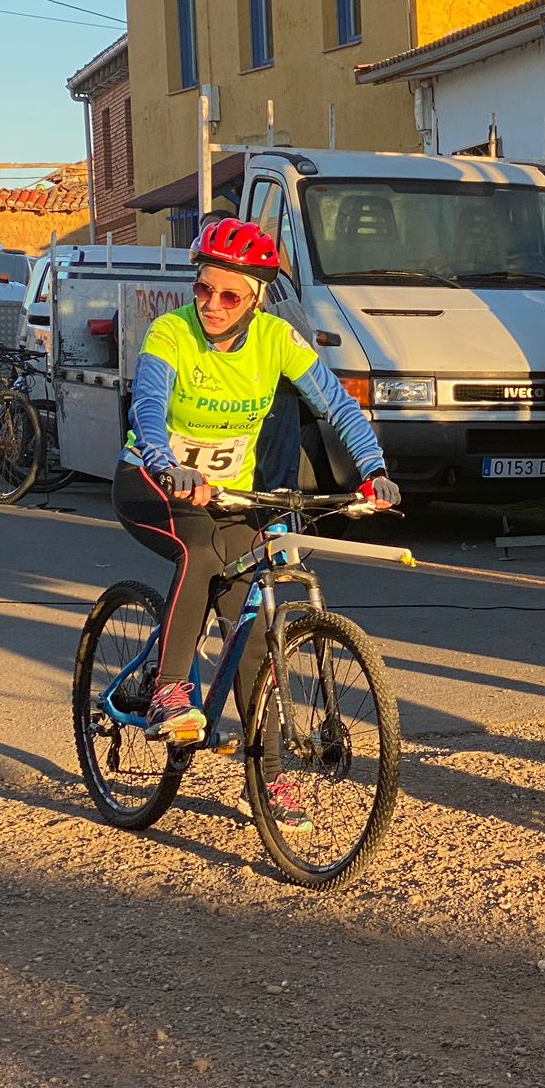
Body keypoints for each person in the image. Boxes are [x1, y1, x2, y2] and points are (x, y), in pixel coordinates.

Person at [113, 217, 399, 823]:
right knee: (198, 548)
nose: (211, 304)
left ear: (257, 299)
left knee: (248, 634)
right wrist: (169, 464)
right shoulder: (172, 332)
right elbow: (148, 406)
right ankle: (169, 691)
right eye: (202, 289)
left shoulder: (276, 340)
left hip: (226, 493)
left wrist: (373, 471)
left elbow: (337, 407)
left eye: (229, 295)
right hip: (150, 480)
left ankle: (265, 782)